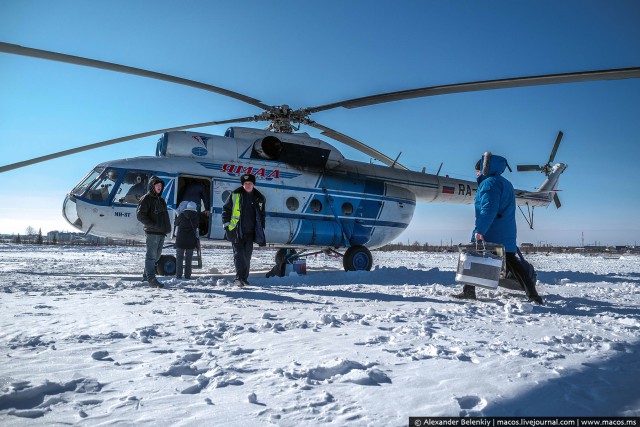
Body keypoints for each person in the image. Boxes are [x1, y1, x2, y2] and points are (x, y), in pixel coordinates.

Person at [452, 152, 544, 305]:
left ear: (484, 168)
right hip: (504, 230)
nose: (476, 172)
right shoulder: (505, 183)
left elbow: (488, 209)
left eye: (478, 169)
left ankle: (533, 296)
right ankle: (532, 295)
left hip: (492, 230)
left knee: (474, 257)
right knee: (510, 262)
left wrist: (480, 230)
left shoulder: (490, 183)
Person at [222, 173, 266, 286]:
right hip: (236, 231)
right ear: (242, 184)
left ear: (253, 184)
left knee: (247, 256)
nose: (247, 185)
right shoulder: (235, 194)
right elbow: (226, 210)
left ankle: (244, 278)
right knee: (238, 254)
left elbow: (262, 215)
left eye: (250, 183)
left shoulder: (259, 198)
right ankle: (239, 278)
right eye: (245, 183)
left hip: (250, 233)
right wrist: (227, 226)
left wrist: (262, 229)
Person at [136, 176, 171, 288]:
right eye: (157, 185)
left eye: (161, 186)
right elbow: (140, 215)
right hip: (152, 232)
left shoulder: (161, 200)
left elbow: (165, 216)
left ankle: (146, 276)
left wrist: (167, 228)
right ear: (152, 186)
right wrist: (153, 225)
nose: (159, 187)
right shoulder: (146, 198)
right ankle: (151, 279)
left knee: (156, 257)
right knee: (151, 256)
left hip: (161, 233)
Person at [174, 201, 199, 280]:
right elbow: (197, 227)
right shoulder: (196, 217)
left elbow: (175, 223)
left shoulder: (181, 215)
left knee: (179, 258)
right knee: (188, 259)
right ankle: (187, 276)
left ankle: (178, 276)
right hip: (191, 241)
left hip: (180, 240)